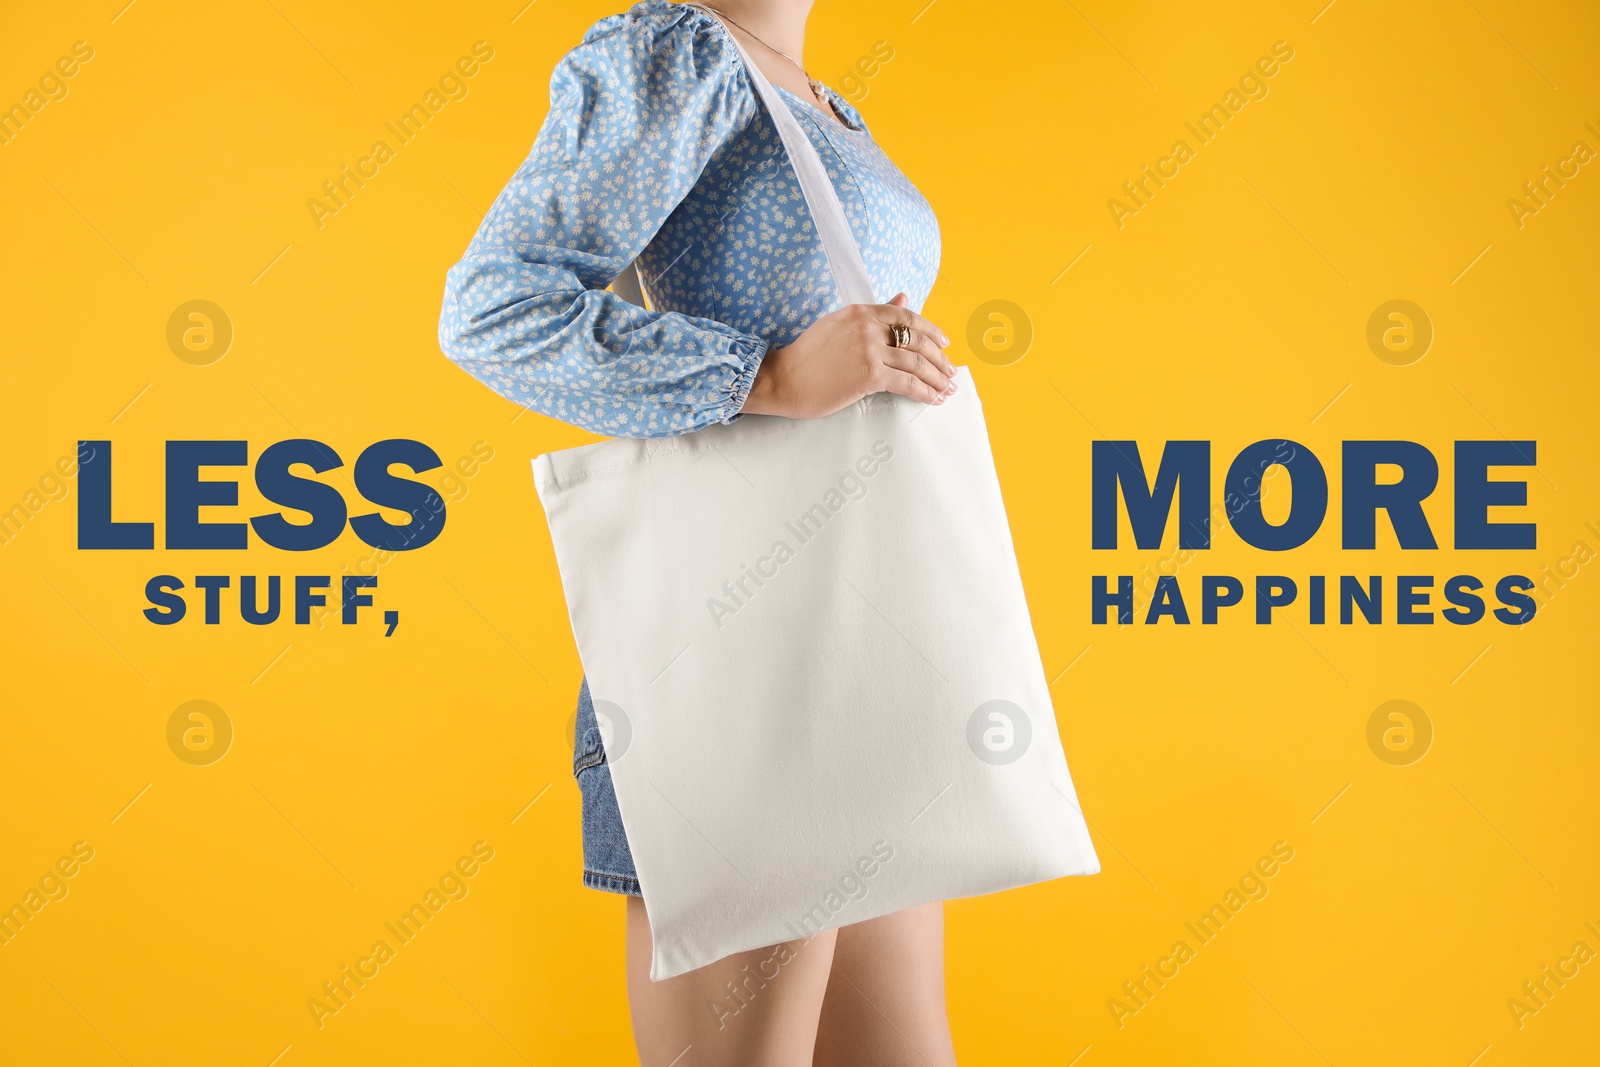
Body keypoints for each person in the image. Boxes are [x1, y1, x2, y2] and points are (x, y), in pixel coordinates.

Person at [439, 2, 956, 1062]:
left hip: (856, 636)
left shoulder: (818, 100)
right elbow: (494, 306)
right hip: (737, 650)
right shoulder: (676, 52)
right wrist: (762, 376)